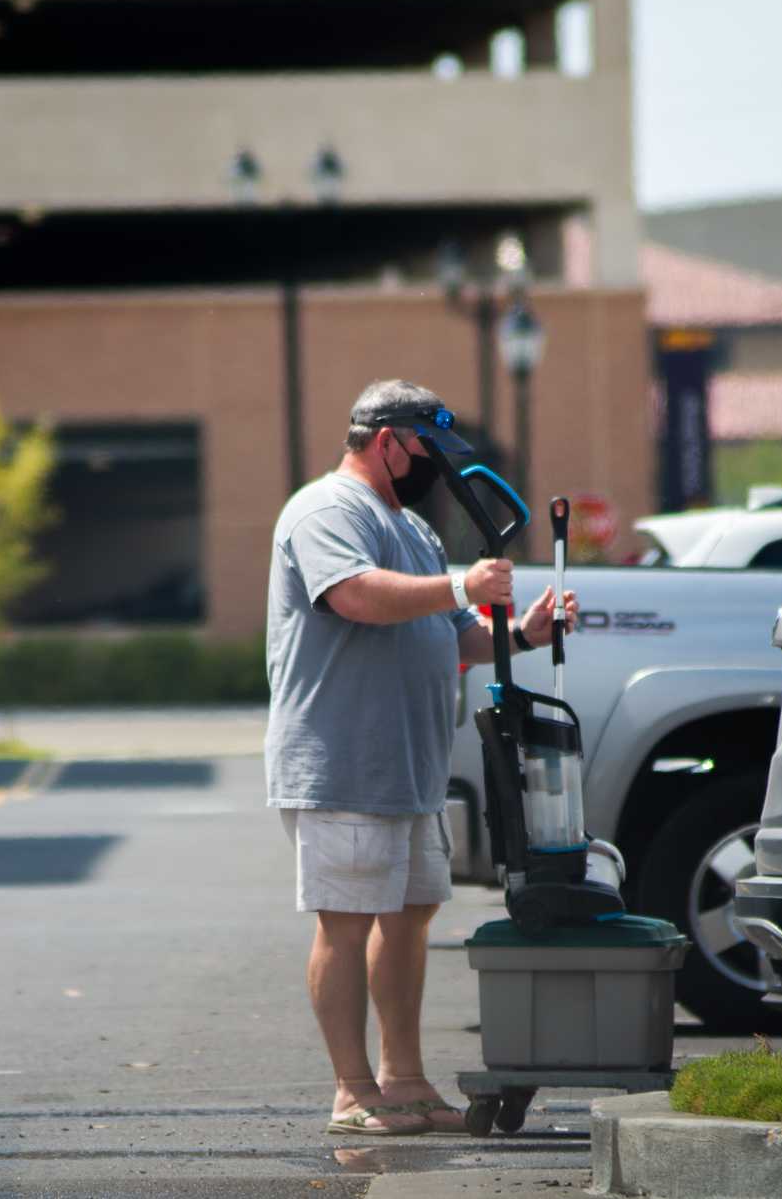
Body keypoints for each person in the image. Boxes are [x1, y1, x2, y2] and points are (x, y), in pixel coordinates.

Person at [264, 378, 578, 1136]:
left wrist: (527, 630)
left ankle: (403, 1079)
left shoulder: (413, 527)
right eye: (429, 451)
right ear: (388, 442)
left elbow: (455, 633)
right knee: (345, 919)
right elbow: (357, 598)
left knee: (408, 915)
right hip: (341, 758)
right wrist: (459, 582)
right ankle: (352, 1088)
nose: (438, 468)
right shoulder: (325, 510)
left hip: (409, 764)